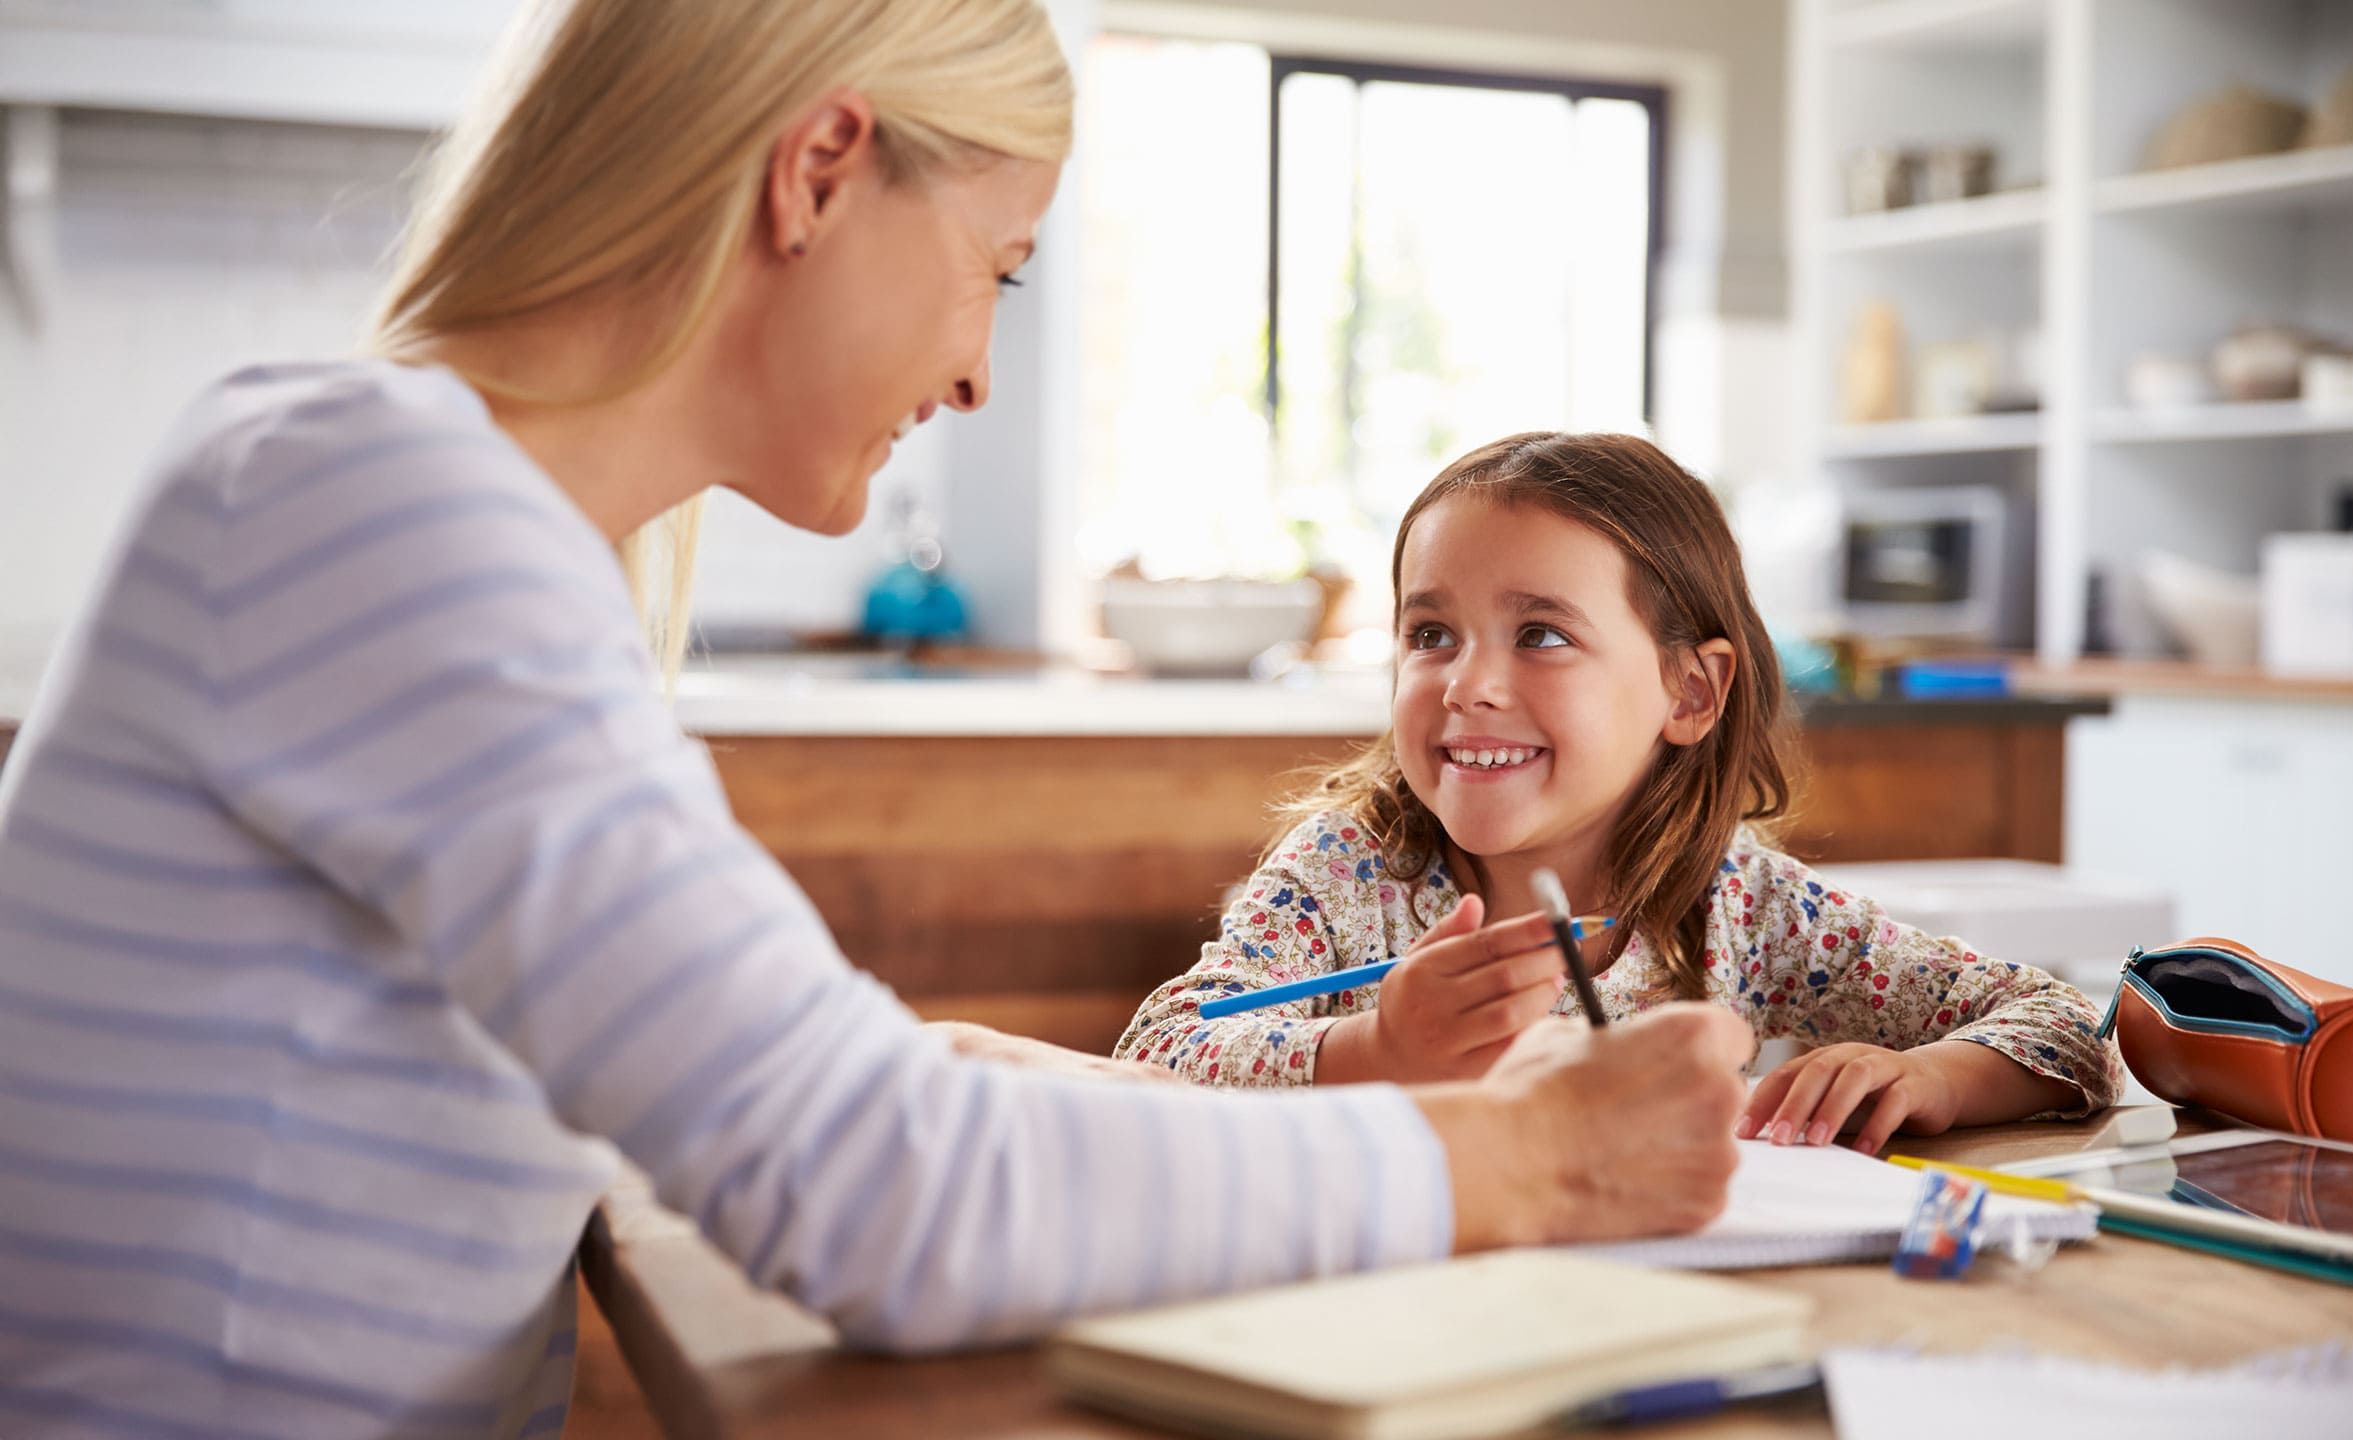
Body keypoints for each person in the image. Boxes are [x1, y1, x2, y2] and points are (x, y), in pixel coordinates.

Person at [0, 5, 1756, 1436]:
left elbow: (885, 1089)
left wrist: (1368, 1106)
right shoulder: (381, 510)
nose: (981, 368)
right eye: (997, 265)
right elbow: (873, 1190)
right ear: (822, 169)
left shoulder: (431, 513)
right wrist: (1524, 1162)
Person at [1116, 431, 2120, 1152]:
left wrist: (1930, 1075)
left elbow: (2065, 1024)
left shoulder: (1739, 905)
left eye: (1541, 635)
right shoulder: (1350, 872)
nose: (1466, 684)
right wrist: (1377, 1047)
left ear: (1689, 692)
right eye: (1430, 635)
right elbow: (1153, 1054)